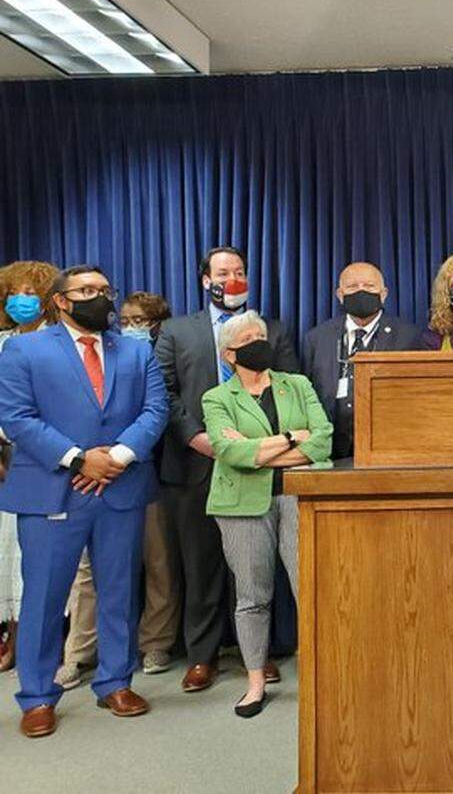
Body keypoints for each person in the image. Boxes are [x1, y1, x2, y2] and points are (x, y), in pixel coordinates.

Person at [0, 265, 168, 737]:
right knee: (45, 598)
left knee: (118, 591)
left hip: (121, 487)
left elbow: (155, 411)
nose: (100, 297)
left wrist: (114, 457)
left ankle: (115, 681)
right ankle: (36, 697)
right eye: (87, 290)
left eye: (104, 290)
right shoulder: (23, 350)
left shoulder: (136, 351)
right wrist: (77, 459)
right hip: (54, 490)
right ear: (61, 301)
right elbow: (16, 417)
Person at [155, 247, 298, 693]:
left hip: (259, 467)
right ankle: (202, 655)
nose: (232, 279)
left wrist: (256, 448)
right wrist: (199, 438)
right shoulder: (177, 331)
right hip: (196, 463)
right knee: (200, 565)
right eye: (223, 273)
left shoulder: (272, 331)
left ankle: (255, 654)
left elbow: (291, 389)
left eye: (239, 272)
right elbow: (165, 392)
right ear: (205, 281)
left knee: (253, 568)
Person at [202, 311, 332, 717]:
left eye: (262, 334)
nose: (260, 342)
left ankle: (318, 677)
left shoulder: (298, 384)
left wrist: (261, 452)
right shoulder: (217, 398)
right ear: (229, 354)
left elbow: (324, 440)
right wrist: (292, 439)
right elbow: (231, 453)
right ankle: (255, 682)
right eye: (248, 338)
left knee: (309, 591)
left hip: (299, 498)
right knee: (253, 597)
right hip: (241, 505)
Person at [56, 291, 178, 689]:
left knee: (156, 562)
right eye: (125, 318)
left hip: (146, 473)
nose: (131, 326)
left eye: (140, 320)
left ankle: (156, 643)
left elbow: (157, 409)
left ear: (157, 323)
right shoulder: (94, 352)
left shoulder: (150, 356)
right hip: (88, 474)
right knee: (87, 573)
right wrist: (95, 460)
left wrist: (122, 455)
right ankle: (78, 652)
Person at [0, 260, 59, 675]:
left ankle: (38, 642)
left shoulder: (57, 343)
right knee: (4, 555)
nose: (21, 300)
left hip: (45, 459)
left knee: (38, 559)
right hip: (4, 463)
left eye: (29, 293)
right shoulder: (2, 343)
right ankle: (9, 633)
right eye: (13, 293)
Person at [303, 262, 419, 460]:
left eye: (369, 286)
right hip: (330, 453)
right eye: (352, 287)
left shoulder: (409, 337)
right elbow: (306, 393)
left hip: (390, 451)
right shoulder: (316, 337)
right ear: (340, 295)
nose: (361, 291)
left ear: (383, 294)